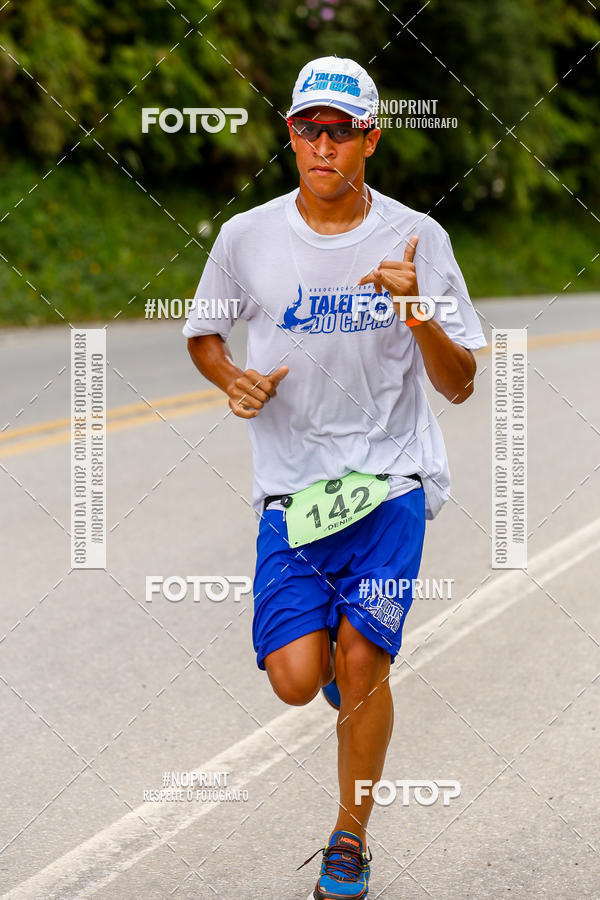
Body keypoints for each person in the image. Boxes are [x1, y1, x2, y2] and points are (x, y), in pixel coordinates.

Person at [183, 55, 486, 900]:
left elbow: (459, 383)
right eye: (307, 128)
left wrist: (416, 307)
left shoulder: (416, 238)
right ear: (290, 135)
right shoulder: (247, 236)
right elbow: (205, 333)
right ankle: (338, 686)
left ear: (371, 139)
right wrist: (229, 377)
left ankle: (349, 841)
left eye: (340, 131)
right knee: (295, 676)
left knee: (363, 663)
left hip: (392, 483)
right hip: (296, 491)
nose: (322, 145)